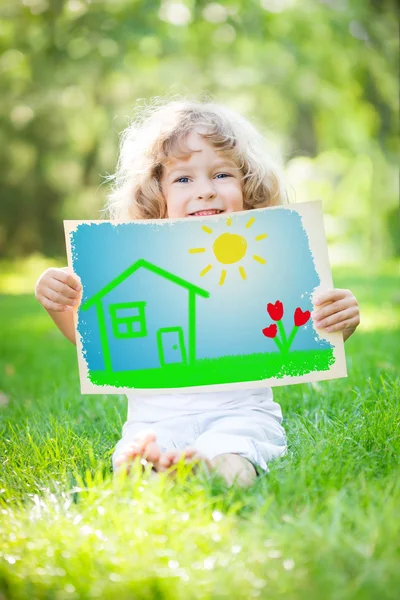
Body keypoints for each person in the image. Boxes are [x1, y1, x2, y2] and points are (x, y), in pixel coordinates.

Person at [34, 99, 360, 487]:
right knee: (134, 463)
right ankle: (158, 471)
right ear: (158, 194)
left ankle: (207, 472)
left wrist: (341, 318)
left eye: (221, 174)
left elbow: (312, 331)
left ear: (247, 184)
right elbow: (93, 339)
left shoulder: (266, 259)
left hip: (240, 415)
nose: (205, 191)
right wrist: (59, 302)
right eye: (183, 179)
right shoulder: (140, 268)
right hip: (155, 420)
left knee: (235, 457)